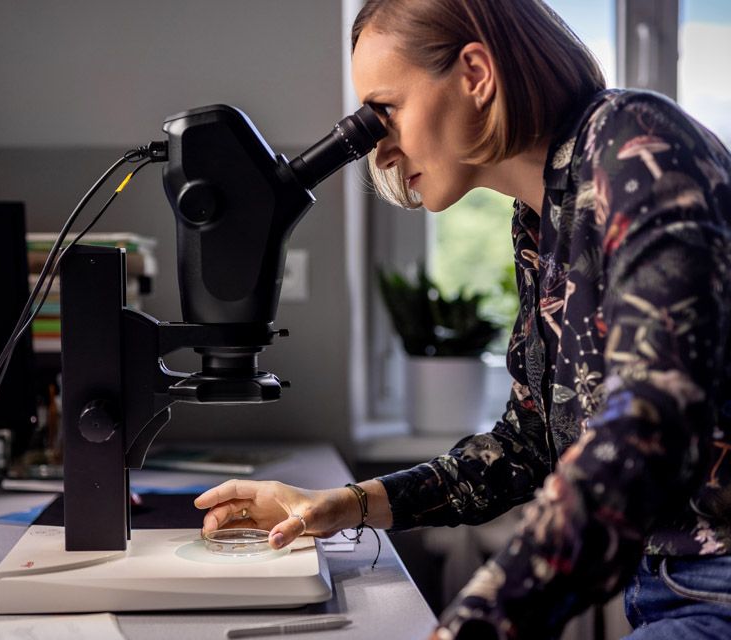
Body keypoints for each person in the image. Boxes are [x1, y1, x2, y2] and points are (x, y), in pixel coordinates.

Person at [193, 1, 731, 638]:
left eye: (383, 111)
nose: (380, 151)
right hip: (666, 584)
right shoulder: (541, 216)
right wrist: (340, 506)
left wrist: (473, 625)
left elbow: (648, 427)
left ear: (476, 73)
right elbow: (528, 444)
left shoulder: (638, 147)